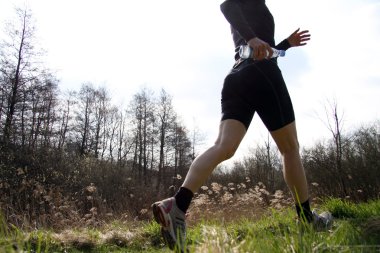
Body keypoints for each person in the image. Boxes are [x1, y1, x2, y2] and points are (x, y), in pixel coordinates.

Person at [152, 0, 333, 251]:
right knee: (290, 149)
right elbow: (227, 6)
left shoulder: (254, 12)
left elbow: (262, 49)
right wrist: (252, 39)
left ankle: (178, 205)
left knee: (223, 146)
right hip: (261, 73)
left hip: (237, 76)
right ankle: (306, 219)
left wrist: (285, 45)